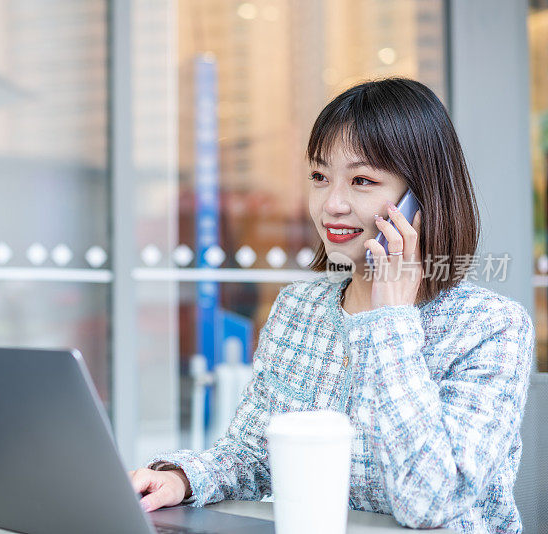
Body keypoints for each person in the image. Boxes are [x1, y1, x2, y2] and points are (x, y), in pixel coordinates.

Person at [129, 77, 535, 534]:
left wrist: (391, 320)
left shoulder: (491, 326)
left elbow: (431, 501)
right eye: (320, 177)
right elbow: (253, 453)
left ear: (421, 197)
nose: (331, 204)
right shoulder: (299, 308)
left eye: (362, 181)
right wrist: (182, 479)